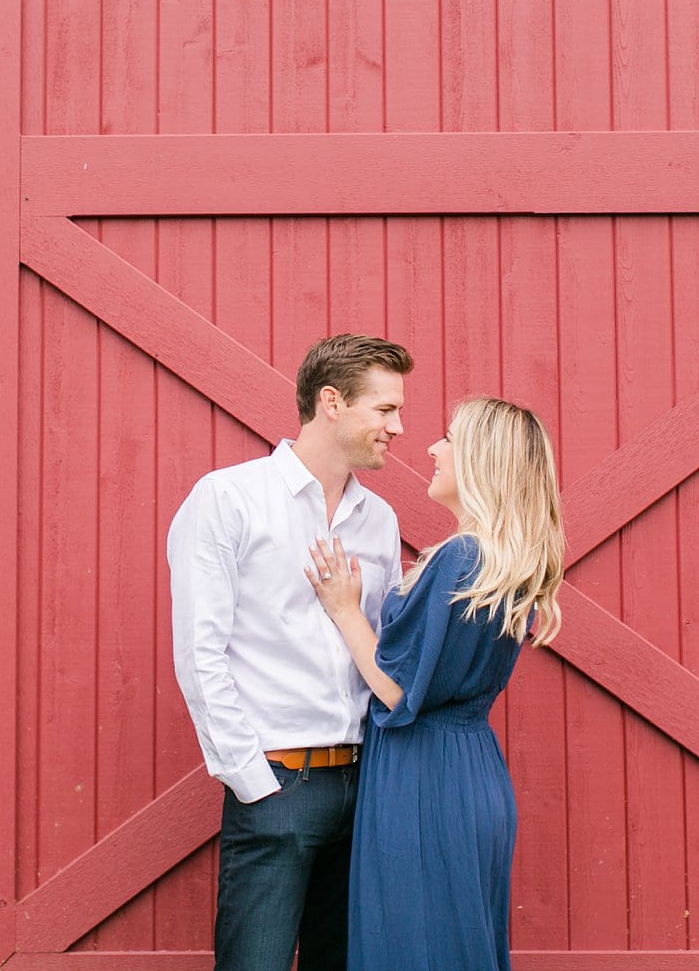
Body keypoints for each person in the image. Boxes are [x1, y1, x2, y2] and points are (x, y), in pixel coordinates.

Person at [168, 333, 414, 971]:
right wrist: (253, 782)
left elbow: (380, 651)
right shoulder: (228, 499)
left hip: (366, 787)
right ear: (331, 402)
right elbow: (201, 652)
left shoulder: (380, 520)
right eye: (384, 410)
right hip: (278, 784)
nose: (399, 427)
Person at [305, 396, 565, 971]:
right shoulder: (500, 560)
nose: (432, 448)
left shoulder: (462, 558)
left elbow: (396, 690)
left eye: (449, 439)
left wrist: (346, 611)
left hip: (427, 775)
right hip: (468, 768)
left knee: (413, 946)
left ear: (480, 460)